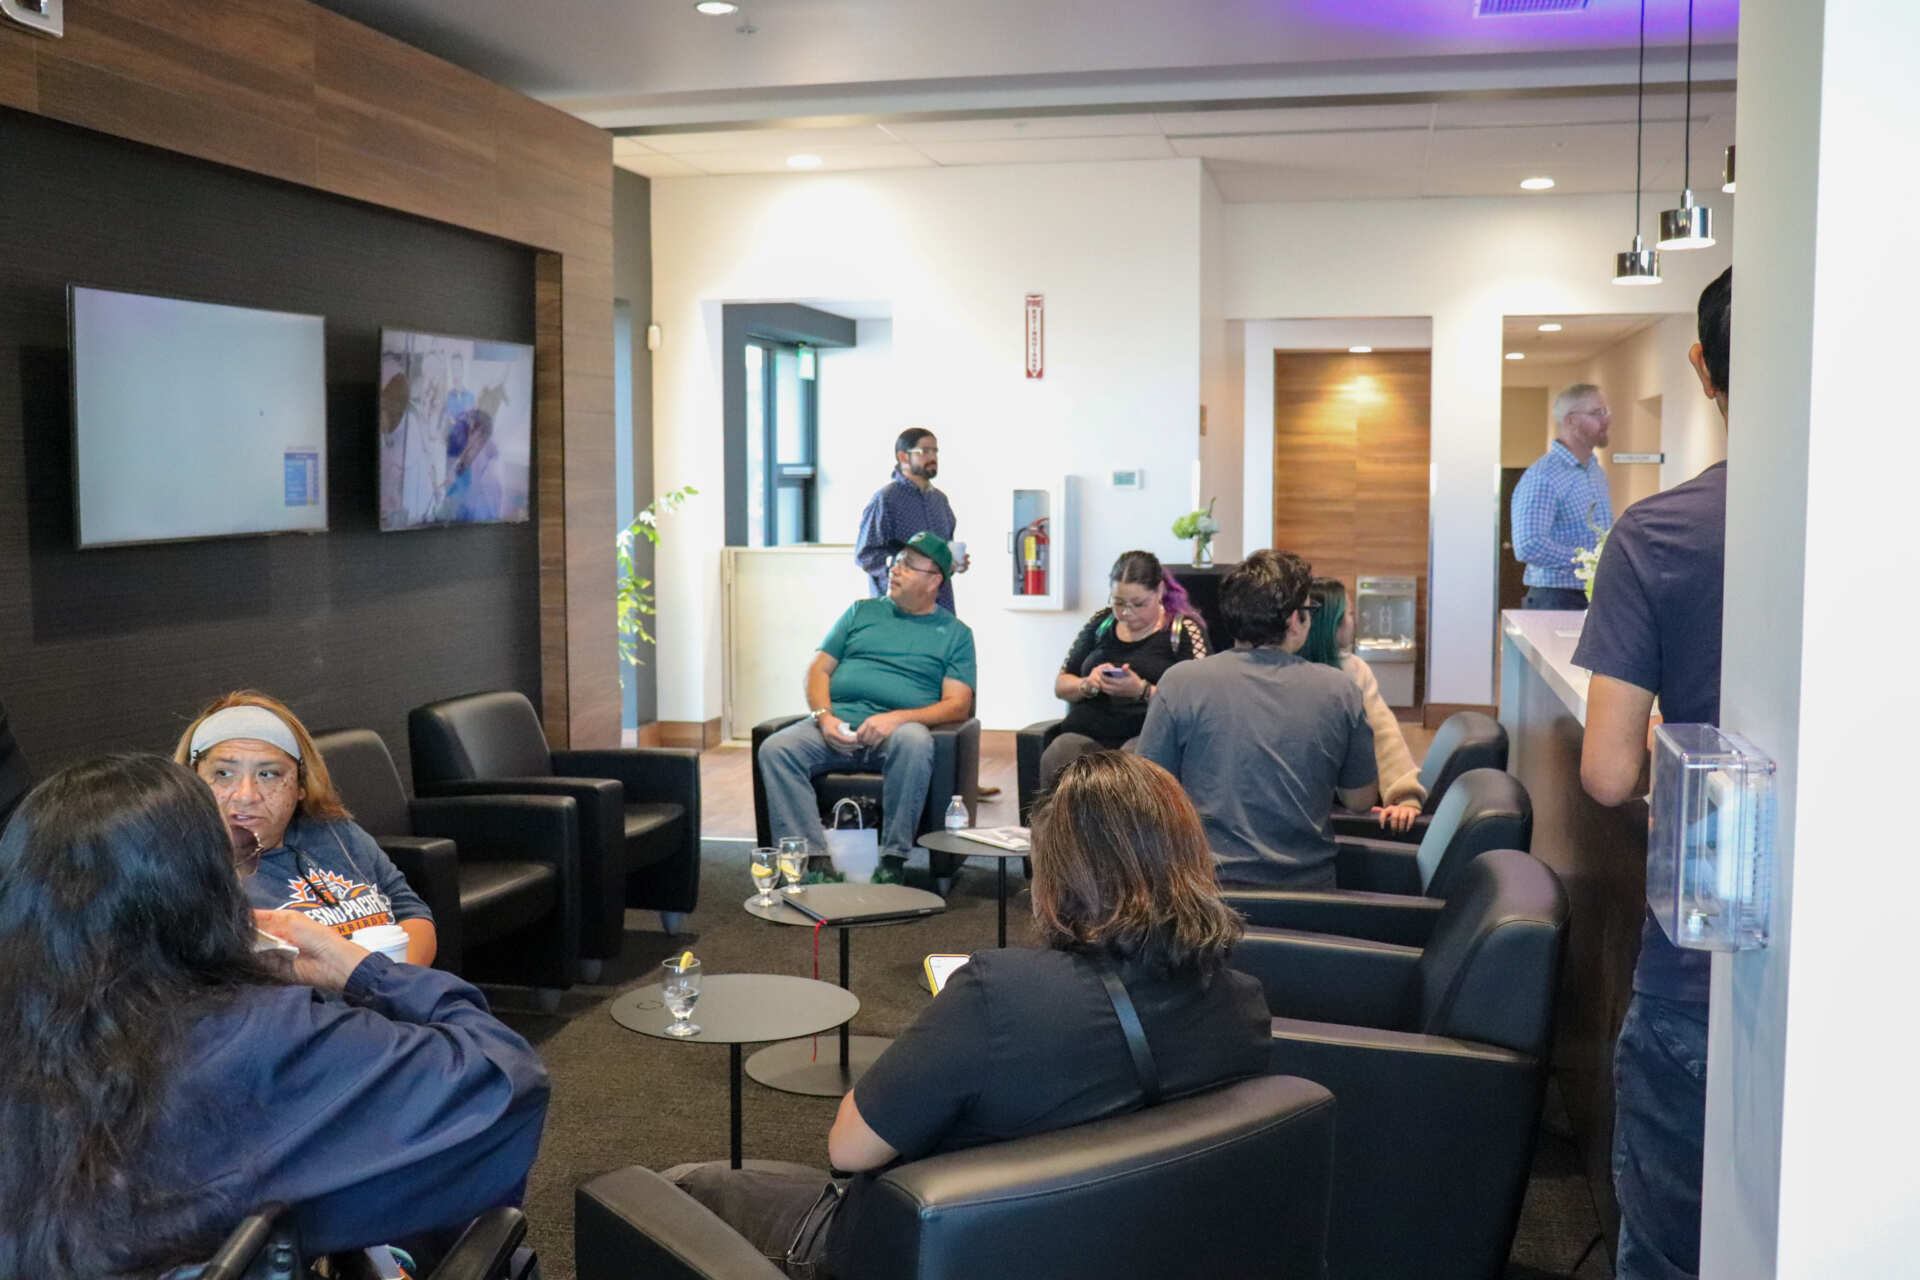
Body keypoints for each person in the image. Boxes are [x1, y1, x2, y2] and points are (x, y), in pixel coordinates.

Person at [667, 750, 1271, 1276]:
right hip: (1107, 1246)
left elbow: (850, 1150)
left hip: (934, 1247)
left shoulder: (998, 992)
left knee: (685, 1187)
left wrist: (951, 1033)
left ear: (1060, 875)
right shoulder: (1241, 1005)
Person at [0, 754, 549, 1277]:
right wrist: (364, 972)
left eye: (268, 773)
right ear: (203, 887)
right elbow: (507, 1083)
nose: (246, 795)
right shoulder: (258, 1036)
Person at [1575, 267, 1731, 1280]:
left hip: (1703, 957)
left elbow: (1605, 770)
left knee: (1675, 1249)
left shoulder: (1662, 533)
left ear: (1703, 367)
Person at [1136, 549, 1377, 888]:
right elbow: (1360, 800)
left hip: (1202, 896)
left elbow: (1147, 793)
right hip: (1309, 897)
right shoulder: (1340, 690)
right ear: (1294, 619)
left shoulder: (1180, 682)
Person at [758, 532, 976, 884]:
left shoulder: (955, 634)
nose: (895, 570)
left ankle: (892, 860)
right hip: (836, 727)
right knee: (776, 749)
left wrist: (896, 719)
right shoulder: (861, 612)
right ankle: (813, 863)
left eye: (908, 565)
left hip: (896, 735)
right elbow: (818, 669)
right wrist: (823, 717)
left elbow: (958, 706)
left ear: (934, 580)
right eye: (897, 562)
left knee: (915, 740)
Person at [173, 691, 437, 966]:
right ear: (191, 780)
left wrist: (396, 984)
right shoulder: (185, 873)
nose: (246, 795)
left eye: (268, 774)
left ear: (301, 784)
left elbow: (410, 911)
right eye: (223, 774)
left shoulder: (336, 832)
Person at [1039, 550, 1209, 794]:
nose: (1126, 612)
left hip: (1145, 732)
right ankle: (1062, 819)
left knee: (1133, 763)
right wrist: (1088, 684)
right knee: (1060, 752)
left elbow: (1199, 699)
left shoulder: (1182, 631)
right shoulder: (1101, 623)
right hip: (1089, 730)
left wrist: (1142, 691)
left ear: (1159, 591)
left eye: (1138, 604)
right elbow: (1061, 684)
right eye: (1118, 602)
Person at [1299, 577, 1425, 834]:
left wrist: (1404, 797)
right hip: (1342, 810)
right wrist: (1404, 797)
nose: (1353, 622)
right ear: (1332, 625)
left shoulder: (1280, 670)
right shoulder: (1353, 671)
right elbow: (1384, 735)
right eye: (1349, 614)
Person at [1512, 382, 1615, 609]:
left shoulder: (1595, 470)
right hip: (1556, 599)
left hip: (1594, 594)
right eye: (1596, 413)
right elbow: (1529, 545)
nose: (1606, 420)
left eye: (1606, 411)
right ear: (1571, 421)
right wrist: (1588, 561)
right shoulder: (1543, 476)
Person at [854, 428, 970, 614]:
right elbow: (865, 555)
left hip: (939, 609)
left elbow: (942, 554)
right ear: (903, 457)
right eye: (924, 451)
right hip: (898, 611)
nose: (932, 457)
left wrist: (954, 562)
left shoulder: (940, 501)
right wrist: (905, 569)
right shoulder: (886, 500)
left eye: (935, 451)